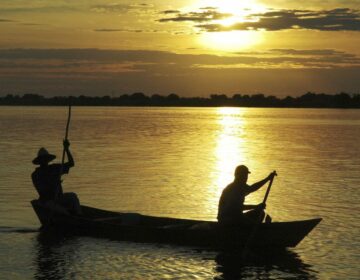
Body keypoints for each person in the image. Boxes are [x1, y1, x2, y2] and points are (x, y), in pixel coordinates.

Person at [32, 139, 81, 215]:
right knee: (64, 213)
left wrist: (67, 149)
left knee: (73, 196)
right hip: (48, 201)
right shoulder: (36, 174)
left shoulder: (55, 168)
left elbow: (71, 163)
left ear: (48, 160)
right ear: (39, 161)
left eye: (46, 159)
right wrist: (54, 183)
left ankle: (79, 215)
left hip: (59, 198)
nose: (44, 161)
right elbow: (42, 191)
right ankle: (69, 216)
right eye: (43, 159)